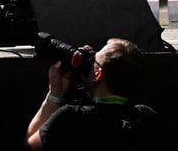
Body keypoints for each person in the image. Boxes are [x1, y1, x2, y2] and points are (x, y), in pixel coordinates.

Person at [25, 38, 162, 149]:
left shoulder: (70, 119)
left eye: (93, 60)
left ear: (98, 73)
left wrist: (55, 93)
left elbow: (31, 144)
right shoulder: (146, 118)